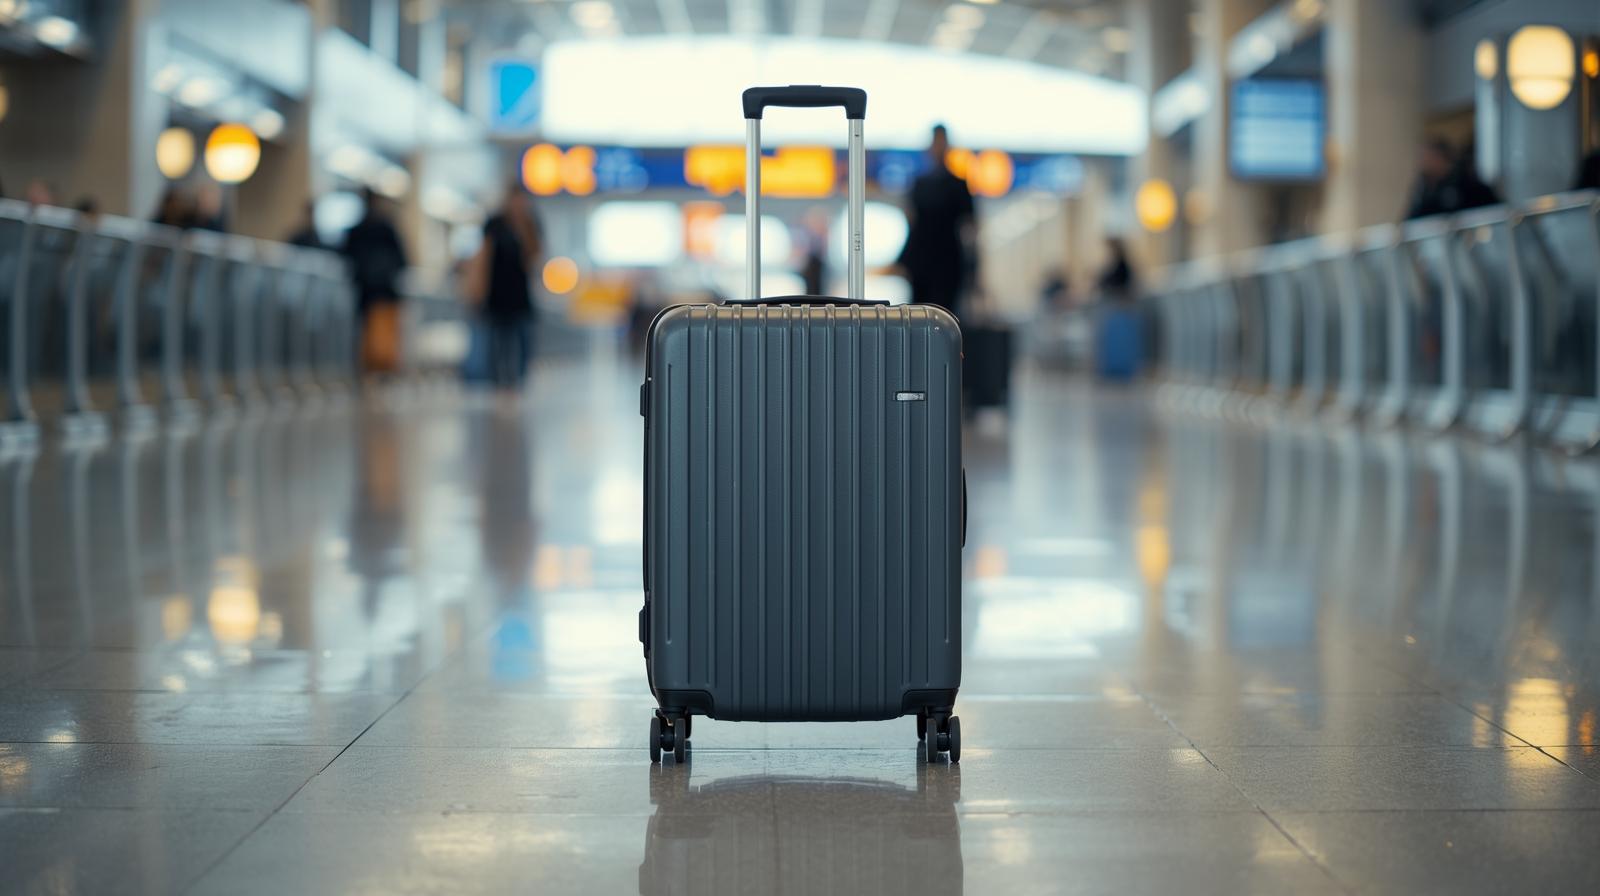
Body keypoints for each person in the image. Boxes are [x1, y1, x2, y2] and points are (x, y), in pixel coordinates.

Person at [462, 181, 541, 395]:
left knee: (522, 337)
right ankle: (500, 382)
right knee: (498, 339)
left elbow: (534, 258)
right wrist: (478, 288)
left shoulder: (530, 224)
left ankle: (518, 381)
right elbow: (483, 258)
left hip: (520, 293)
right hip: (497, 292)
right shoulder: (495, 224)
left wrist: (524, 230)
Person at [895, 124, 977, 317]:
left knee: (946, 316)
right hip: (922, 264)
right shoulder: (919, 185)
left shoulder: (959, 185)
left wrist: (973, 268)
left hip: (949, 264)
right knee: (918, 317)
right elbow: (912, 224)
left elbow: (970, 228)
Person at [342, 188, 410, 375]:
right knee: (384, 340)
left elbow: (345, 258)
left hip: (364, 292)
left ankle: (367, 376)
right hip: (386, 292)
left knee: (365, 337)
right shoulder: (388, 229)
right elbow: (403, 260)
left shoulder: (355, 231)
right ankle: (382, 376)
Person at [1405, 138, 1498, 220]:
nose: (1422, 162)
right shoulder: (1424, 189)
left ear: (1439, 157)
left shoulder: (1464, 183)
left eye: (1426, 156)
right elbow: (1412, 220)